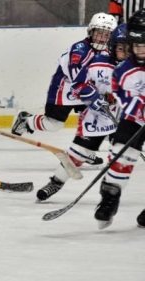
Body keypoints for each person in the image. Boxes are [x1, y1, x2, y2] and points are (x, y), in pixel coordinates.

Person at [11, 13, 118, 166]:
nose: (102, 38)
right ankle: (26, 120)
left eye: (106, 35)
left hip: (87, 90)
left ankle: (85, 150)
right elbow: (77, 80)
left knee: (96, 119)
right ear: (90, 32)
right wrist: (95, 97)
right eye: (98, 33)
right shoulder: (80, 50)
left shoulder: (108, 53)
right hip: (64, 90)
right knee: (53, 124)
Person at [36, 23, 125, 202]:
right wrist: (93, 97)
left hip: (121, 116)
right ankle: (56, 182)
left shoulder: (133, 67)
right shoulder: (98, 63)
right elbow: (78, 83)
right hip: (96, 116)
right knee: (77, 154)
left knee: (122, 154)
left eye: (129, 48)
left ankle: (110, 196)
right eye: (121, 48)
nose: (125, 52)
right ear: (112, 45)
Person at [93, 9, 145, 229]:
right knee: (121, 150)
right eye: (136, 46)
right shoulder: (123, 71)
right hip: (135, 118)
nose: (140, 51)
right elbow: (124, 99)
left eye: (144, 45)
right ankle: (110, 196)